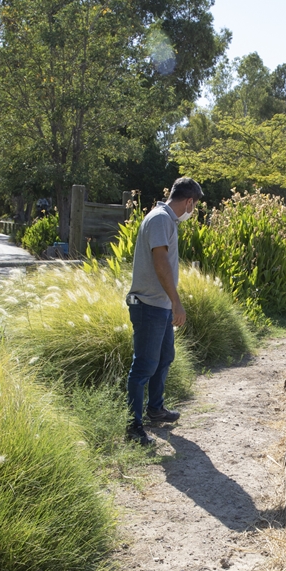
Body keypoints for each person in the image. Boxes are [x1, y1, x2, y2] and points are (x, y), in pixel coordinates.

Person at [124, 177, 203, 446]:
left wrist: (170, 305)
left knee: (164, 357)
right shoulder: (160, 219)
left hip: (161, 306)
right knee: (144, 365)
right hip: (149, 305)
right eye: (194, 206)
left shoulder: (165, 220)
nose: (193, 211)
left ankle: (155, 409)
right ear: (189, 201)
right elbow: (160, 263)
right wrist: (177, 302)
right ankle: (133, 426)